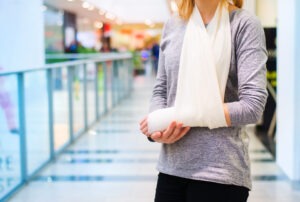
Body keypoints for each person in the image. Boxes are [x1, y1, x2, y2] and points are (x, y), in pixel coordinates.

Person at [139, 0, 268, 201]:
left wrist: (182, 116)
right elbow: (161, 90)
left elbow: (252, 106)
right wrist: (157, 130)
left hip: (220, 172)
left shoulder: (244, 24)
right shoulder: (173, 25)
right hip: (171, 168)